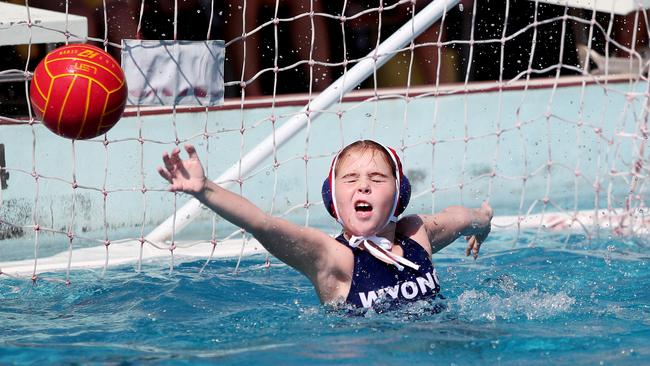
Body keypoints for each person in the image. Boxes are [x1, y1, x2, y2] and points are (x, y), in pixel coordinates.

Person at [158, 140, 493, 310]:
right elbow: (263, 224)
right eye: (350, 179)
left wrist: (484, 223)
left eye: (377, 178)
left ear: (399, 194)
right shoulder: (334, 259)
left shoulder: (417, 233)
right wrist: (204, 189)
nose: (364, 186)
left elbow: (463, 217)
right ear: (333, 200)